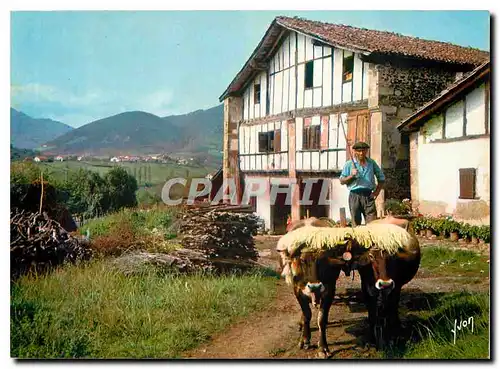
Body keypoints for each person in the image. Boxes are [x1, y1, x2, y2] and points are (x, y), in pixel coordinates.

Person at [339, 141, 385, 226]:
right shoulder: (349, 164)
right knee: (356, 223)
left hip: (368, 195)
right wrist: (351, 176)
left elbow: (381, 178)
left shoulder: (371, 163)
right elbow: (342, 181)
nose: (361, 153)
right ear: (355, 151)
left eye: (363, 150)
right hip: (354, 195)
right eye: (359, 151)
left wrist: (376, 192)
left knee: (372, 223)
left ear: (367, 151)